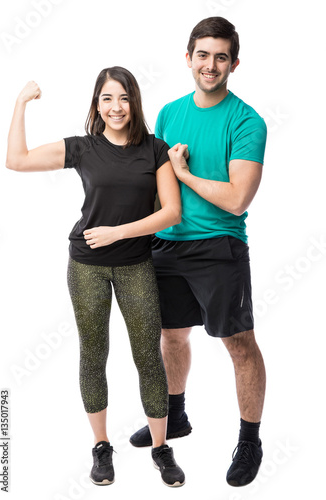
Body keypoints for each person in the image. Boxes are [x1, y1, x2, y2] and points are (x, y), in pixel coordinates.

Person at [6, 66, 186, 488]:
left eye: (123, 98)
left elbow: (171, 213)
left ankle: (161, 448)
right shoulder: (84, 148)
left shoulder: (155, 150)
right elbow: (16, 160)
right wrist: (19, 103)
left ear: (134, 102)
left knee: (148, 356)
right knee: (93, 354)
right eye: (107, 98)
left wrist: (117, 232)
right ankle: (102, 447)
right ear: (97, 104)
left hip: (136, 264)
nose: (116, 107)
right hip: (85, 264)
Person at [130, 17, 267, 487]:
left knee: (239, 344)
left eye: (221, 56)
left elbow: (236, 198)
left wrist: (185, 175)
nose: (211, 65)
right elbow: (156, 184)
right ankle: (175, 416)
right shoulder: (169, 113)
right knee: (171, 336)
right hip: (166, 245)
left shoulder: (247, 120)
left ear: (234, 63)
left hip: (220, 248)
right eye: (203, 55)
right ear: (188, 57)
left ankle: (249, 439)